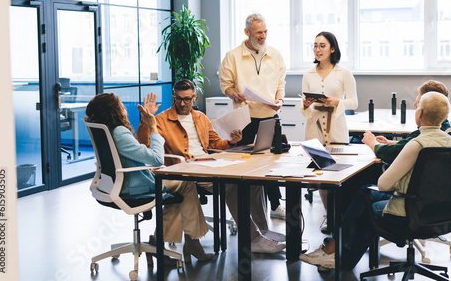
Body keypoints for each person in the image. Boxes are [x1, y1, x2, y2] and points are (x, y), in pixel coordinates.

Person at [299, 91, 451, 271]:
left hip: (411, 210)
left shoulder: (416, 144)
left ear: (420, 113)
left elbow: (384, 185)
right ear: (445, 117)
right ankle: (339, 255)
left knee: (364, 197)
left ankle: (336, 253)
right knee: (366, 197)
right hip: (441, 209)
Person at [136, 79, 286, 253]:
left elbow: (215, 143)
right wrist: (146, 121)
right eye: (178, 99)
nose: (183, 103)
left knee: (253, 181)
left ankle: (262, 231)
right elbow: (145, 144)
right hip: (185, 170)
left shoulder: (201, 117)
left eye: (187, 99)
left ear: (194, 97)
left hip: (208, 165)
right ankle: (252, 237)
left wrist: (231, 142)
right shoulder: (161, 120)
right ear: (174, 97)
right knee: (233, 185)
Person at [84, 93, 214, 263]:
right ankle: (190, 241)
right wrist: (153, 127)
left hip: (111, 185)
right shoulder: (120, 133)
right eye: (121, 105)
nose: (123, 108)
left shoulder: (103, 130)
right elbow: (157, 158)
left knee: (177, 195)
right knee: (186, 183)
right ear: (114, 111)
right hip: (132, 187)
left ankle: (158, 243)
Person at [219, 13, 287, 220]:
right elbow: (226, 85)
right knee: (242, 163)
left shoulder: (275, 55)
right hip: (245, 116)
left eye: (265, 32)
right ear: (247, 32)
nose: (263, 36)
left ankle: (275, 205)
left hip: (269, 115)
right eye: (259, 32)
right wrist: (234, 93)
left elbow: (280, 84)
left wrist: (279, 100)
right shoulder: (233, 56)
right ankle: (239, 211)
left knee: (271, 162)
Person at [301, 31, 358, 232]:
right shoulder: (308, 74)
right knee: (322, 177)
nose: (318, 49)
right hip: (314, 131)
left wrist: (337, 102)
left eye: (322, 45)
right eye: (315, 45)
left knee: (338, 175)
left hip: (337, 129)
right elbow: (305, 109)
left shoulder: (344, 73)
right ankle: (329, 215)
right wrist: (306, 103)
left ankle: (342, 215)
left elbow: (353, 101)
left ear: (332, 48)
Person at [362, 80, 451, 164]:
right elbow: (408, 145)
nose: (414, 104)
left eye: (418, 102)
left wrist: (372, 142)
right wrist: (390, 142)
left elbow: (392, 154)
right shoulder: (446, 130)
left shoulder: (423, 135)